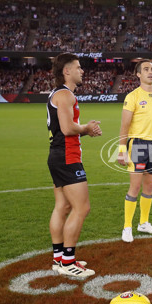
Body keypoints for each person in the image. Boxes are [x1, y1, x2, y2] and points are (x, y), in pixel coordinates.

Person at [47, 52, 101, 278]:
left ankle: (58, 258)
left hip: (57, 155)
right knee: (81, 208)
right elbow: (68, 129)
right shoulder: (65, 95)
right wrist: (86, 128)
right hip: (68, 157)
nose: (82, 71)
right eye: (78, 67)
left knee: (63, 206)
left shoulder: (57, 94)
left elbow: (65, 130)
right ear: (66, 71)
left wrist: (85, 132)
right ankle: (68, 262)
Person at [117, 59, 152, 243]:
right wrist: (121, 149)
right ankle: (127, 226)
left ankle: (144, 223)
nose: (151, 72)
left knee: (149, 186)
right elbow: (125, 124)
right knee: (135, 186)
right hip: (138, 144)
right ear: (138, 74)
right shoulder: (132, 96)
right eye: (146, 69)